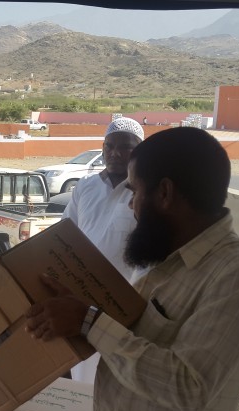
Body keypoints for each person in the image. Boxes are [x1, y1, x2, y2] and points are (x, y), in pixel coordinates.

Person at [26, 127, 239, 411]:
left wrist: (88, 321)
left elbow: (188, 386)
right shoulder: (169, 254)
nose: (131, 205)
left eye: (135, 192)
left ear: (165, 193)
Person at [62, 116, 144, 383]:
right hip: (82, 298)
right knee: (83, 373)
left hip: (124, 304)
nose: (115, 153)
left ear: (138, 151)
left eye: (125, 147)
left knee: (115, 375)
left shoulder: (143, 194)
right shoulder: (85, 187)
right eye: (109, 146)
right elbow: (65, 234)